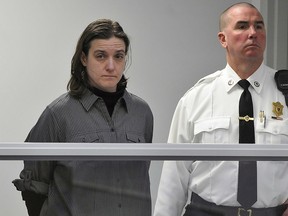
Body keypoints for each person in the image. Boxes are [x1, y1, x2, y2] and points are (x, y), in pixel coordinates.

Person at [153, 2, 288, 216]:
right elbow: (173, 178)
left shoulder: (285, 94)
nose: (253, 33)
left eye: (259, 26)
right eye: (242, 26)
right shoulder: (196, 99)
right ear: (223, 39)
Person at [13, 19, 154, 216]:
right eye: (101, 56)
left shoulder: (142, 113)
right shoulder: (58, 114)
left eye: (119, 56)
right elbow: (34, 185)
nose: (111, 66)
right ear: (84, 58)